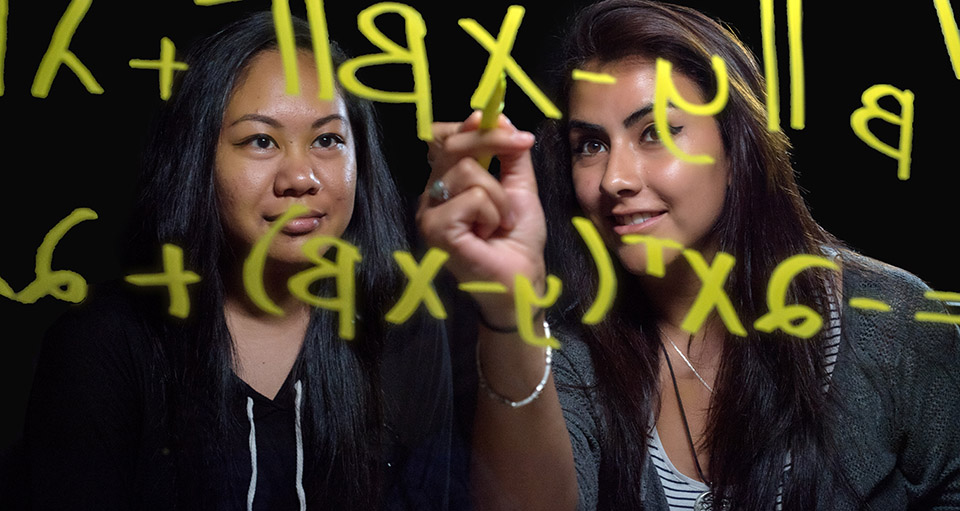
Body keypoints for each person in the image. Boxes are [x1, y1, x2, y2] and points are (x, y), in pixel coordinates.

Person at [416, 1, 960, 509]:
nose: (615, 179)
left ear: (736, 147)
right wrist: (510, 307)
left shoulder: (893, 320)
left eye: (656, 132)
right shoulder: (566, 351)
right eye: (592, 145)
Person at [25, 13, 453, 511]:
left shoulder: (401, 328)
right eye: (261, 141)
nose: (300, 178)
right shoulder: (104, 345)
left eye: (327, 140)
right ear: (199, 159)